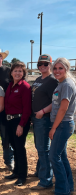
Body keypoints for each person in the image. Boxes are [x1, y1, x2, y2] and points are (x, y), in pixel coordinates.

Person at [30, 54, 58, 190]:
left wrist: (42, 111)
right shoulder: (39, 78)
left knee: (43, 149)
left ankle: (46, 180)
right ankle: (41, 171)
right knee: (40, 147)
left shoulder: (52, 81)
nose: (42, 66)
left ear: (50, 65)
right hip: (37, 118)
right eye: (40, 64)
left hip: (44, 118)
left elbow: (56, 101)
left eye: (45, 64)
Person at [49, 58, 76, 195]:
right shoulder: (62, 84)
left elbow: (63, 109)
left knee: (54, 156)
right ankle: (68, 187)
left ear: (66, 69)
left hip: (63, 124)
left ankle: (62, 190)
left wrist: (53, 128)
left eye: (60, 68)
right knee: (62, 156)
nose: (57, 71)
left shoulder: (66, 85)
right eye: (55, 68)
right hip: (63, 124)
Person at [4, 61, 31, 186]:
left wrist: (21, 125)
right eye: (15, 70)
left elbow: (27, 108)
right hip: (10, 121)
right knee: (14, 147)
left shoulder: (25, 87)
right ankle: (16, 171)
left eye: (20, 71)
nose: (17, 73)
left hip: (19, 121)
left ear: (23, 73)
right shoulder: (10, 86)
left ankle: (22, 176)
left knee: (20, 148)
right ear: (11, 72)